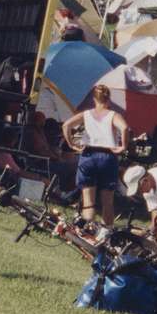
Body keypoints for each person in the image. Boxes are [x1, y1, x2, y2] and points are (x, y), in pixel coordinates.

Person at [59, 85, 129, 226]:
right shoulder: (113, 115)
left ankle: (86, 228)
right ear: (108, 99)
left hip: (88, 155)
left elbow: (66, 125)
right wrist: (123, 146)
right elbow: (125, 127)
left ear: (94, 99)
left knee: (88, 201)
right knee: (107, 201)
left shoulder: (86, 114)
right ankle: (106, 232)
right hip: (107, 156)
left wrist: (72, 144)